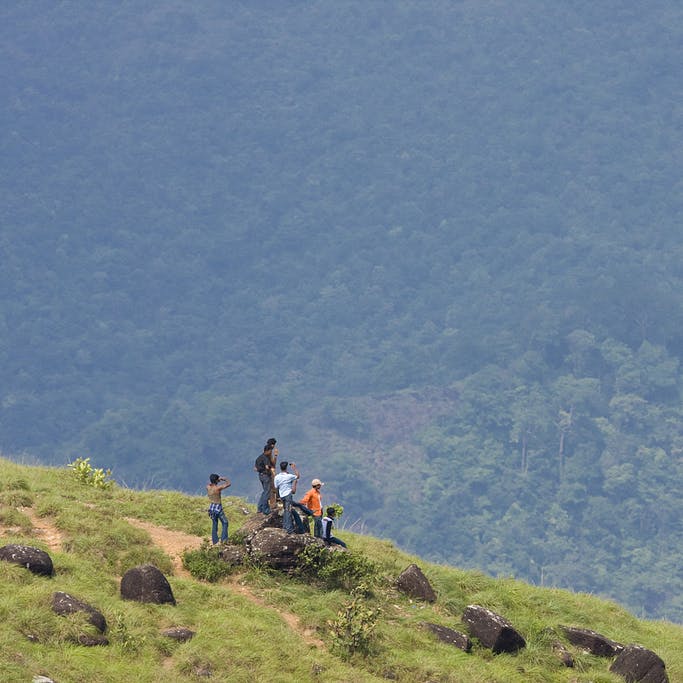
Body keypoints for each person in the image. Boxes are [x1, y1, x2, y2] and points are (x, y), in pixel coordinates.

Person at [273, 460, 299, 533]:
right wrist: (294, 468)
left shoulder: (277, 477)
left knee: (285, 510)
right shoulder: (289, 476)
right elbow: (298, 476)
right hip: (288, 495)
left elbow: (276, 487)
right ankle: (289, 529)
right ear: (286, 468)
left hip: (282, 496)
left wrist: (277, 497)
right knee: (288, 511)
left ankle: (285, 526)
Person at [207, 473, 231, 544]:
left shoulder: (208, 487)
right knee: (225, 522)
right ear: (217, 480)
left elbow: (209, 483)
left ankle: (215, 541)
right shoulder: (218, 488)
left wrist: (215, 480)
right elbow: (229, 484)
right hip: (218, 507)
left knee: (214, 524)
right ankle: (224, 539)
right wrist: (224, 479)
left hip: (211, 507)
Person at [254, 441, 276, 515]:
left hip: (260, 476)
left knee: (264, 492)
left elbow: (255, 468)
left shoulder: (258, 458)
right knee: (267, 492)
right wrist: (270, 470)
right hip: (266, 476)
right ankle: (265, 509)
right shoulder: (265, 458)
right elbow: (267, 466)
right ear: (269, 451)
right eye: (270, 451)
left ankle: (259, 508)